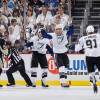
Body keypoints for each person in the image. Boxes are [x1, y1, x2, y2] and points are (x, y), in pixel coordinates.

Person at [75, 25, 100, 93]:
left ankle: (93, 80)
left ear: (86, 31)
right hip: (98, 56)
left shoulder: (83, 38)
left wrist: (80, 48)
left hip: (89, 57)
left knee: (91, 71)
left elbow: (77, 49)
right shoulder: (98, 36)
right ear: (93, 31)